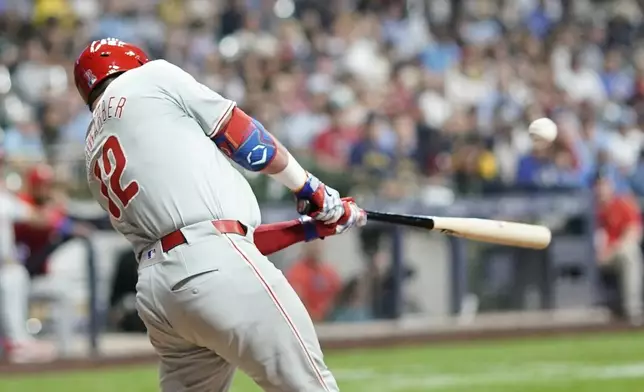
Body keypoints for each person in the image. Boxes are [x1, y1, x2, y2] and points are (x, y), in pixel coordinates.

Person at [74, 38, 367, 392]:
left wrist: (309, 229)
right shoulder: (151, 77)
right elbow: (246, 140)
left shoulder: (91, 149)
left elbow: (219, 239)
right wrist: (311, 189)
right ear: (133, 61)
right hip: (213, 266)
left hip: (160, 296)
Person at [0, 150, 57, 363]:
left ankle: (17, 341)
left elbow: (40, 219)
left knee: (15, 274)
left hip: (6, 267)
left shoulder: (4, 198)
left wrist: (58, 214)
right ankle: (15, 341)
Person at [594, 169, 643, 324]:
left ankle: (632, 309)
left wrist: (613, 249)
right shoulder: (589, 206)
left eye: (604, 185)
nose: (601, 189)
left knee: (629, 253)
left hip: (614, 253)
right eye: (598, 185)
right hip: (593, 256)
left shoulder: (621, 203)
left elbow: (634, 231)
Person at [286, 241, 342, 322]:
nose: (315, 248)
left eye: (317, 245)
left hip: (330, 321)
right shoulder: (296, 273)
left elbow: (338, 295)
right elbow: (297, 300)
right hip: (306, 321)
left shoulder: (328, 272)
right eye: (312, 245)